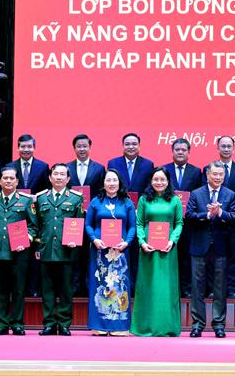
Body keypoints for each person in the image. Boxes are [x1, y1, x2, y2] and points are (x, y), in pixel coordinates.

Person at [0, 167, 37, 335]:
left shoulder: (26, 201)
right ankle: (1, 324)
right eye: (5, 178)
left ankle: (17, 323)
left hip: (19, 253)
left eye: (12, 178)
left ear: (17, 181)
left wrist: (27, 239)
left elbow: (34, 226)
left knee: (19, 290)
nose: (8, 181)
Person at [186, 160, 235, 337]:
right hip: (199, 246)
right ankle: (197, 324)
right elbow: (189, 215)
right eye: (214, 174)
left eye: (221, 174)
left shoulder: (230, 194)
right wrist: (207, 215)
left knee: (220, 288)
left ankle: (219, 324)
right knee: (197, 287)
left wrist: (220, 213)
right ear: (207, 175)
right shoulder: (196, 193)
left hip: (221, 247)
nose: (217, 177)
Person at [131, 167, 184, 336]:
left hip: (168, 249)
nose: (159, 182)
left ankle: (167, 327)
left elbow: (179, 223)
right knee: (148, 285)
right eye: (156, 179)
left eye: (162, 179)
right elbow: (139, 223)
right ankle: (144, 327)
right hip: (148, 249)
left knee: (166, 287)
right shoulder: (144, 200)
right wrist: (142, 242)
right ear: (151, 181)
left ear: (168, 181)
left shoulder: (175, 200)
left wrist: (172, 240)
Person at [33, 163, 84, 336]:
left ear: (68, 179)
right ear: (50, 177)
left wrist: (75, 240)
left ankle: (64, 324)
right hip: (46, 249)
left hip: (67, 251)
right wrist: (38, 246)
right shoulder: (41, 198)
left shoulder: (76, 198)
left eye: (63, 174)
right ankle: (48, 323)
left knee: (66, 289)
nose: (59, 177)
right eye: (56, 174)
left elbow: (79, 222)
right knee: (47, 289)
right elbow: (37, 225)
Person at [85, 168, 136, 335]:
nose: (112, 183)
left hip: (120, 252)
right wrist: (94, 239)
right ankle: (99, 325)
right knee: (100, 284)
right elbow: (88, 224)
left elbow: (132, 226)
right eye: (108, 180)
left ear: (119, 183)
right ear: (103, 183)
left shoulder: (127, 202)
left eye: (115, 180)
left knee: (120, 285)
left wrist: (126, 242)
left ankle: (119, 326)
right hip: (100, 251)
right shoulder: (96, 202)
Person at [7, 133, 49, 297]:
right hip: (16, 215)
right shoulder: (10, 166)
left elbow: (47, 190)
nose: (26, 149)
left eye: (29, 146)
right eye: (23, 146)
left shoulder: (43, 166)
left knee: (34, 252)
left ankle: (33, 288)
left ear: (34, 148)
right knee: (17, 252)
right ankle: (17, 288)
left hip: (36, 215)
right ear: (18, 148)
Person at [161, 138, 203, 297]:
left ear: (188, 152)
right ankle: (168, 287)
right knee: (167, 254)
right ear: (172, 151)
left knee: (186, 256)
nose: (180, 152)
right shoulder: (164, 170)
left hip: (188, 222)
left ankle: (185, 288)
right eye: (177, 149)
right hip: (167, 222)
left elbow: (199, 194)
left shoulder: (196, 171)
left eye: (183, 150)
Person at [208, 135, 235, 298]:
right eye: (223, 146)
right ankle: (214, 289)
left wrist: (231, 211)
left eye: (229, 146)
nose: (226, 149)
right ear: (218, 148)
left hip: (234, 222)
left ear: (234, 148)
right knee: (214, 257)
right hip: (213, 222)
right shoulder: (208, 168)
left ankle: (232, 289)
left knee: (234, 257)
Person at [67, 133, 106, 296]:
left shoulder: (99, 168)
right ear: (74, 148)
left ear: (90, 147)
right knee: (74, 253)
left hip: (93, 217)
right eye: (78, 146)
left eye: (85, 146)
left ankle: (91, 287)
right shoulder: (67, 168)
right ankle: (75, 287)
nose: (82, 149)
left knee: (91, 253)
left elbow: (102, 193)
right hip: (72, 218)